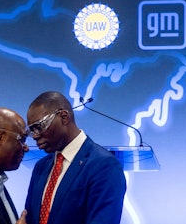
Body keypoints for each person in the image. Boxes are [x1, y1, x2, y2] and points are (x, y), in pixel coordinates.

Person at [25, 91, 126, 224]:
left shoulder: (104, 166)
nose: (35, 136)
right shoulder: (41, 166)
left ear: (64, 117)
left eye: (39, 126)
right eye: (31, 130)